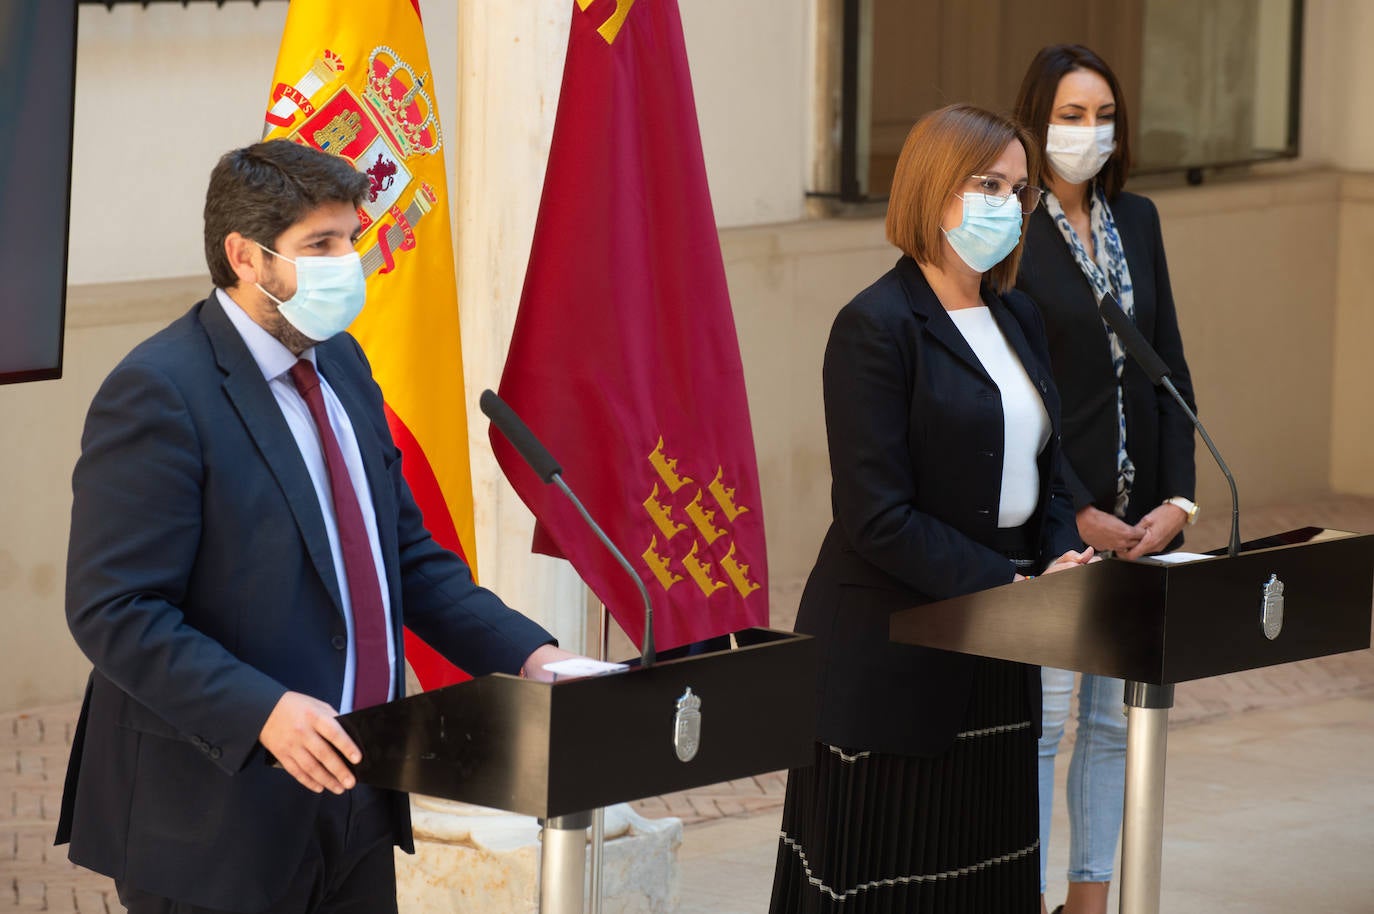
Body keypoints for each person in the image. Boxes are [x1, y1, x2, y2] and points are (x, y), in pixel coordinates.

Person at [56, 139, 578, 914]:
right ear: (244, 256)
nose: (348, 262)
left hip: (357, 791)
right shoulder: (159, 392)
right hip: (217, 816)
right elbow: (115, 610)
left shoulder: (343, 364)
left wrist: (531, 655)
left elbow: (405, 557)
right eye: (320, 244)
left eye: (351, 237)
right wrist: (262, 711)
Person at [768, 104, 1094, 914]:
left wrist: (1056, 555)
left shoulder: (1017, 314)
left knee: (987, 876)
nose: (1006, 205)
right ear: (933, 187)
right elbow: (876, 514)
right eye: (988, 183)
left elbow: (1048, 468)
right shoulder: (875, 327)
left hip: (1000, 647)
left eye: (1018, 191)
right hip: (893, 661)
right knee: (891, 884)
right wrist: (1002, 586)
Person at [1013, 44, 1199, 914]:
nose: (1088, 133)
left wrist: (1178, 502)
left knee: (1114, 723)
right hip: (1063, 526)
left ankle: (1089, 900)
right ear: (1035, 121)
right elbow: (1018, 391)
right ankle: (1028, 890)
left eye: (1101, 116)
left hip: (1144, 523)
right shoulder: (1011, 227)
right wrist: (1073, 511)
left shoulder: (1142, 220)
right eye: (1069, 116)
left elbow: (1170, 368)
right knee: (1045, 722)